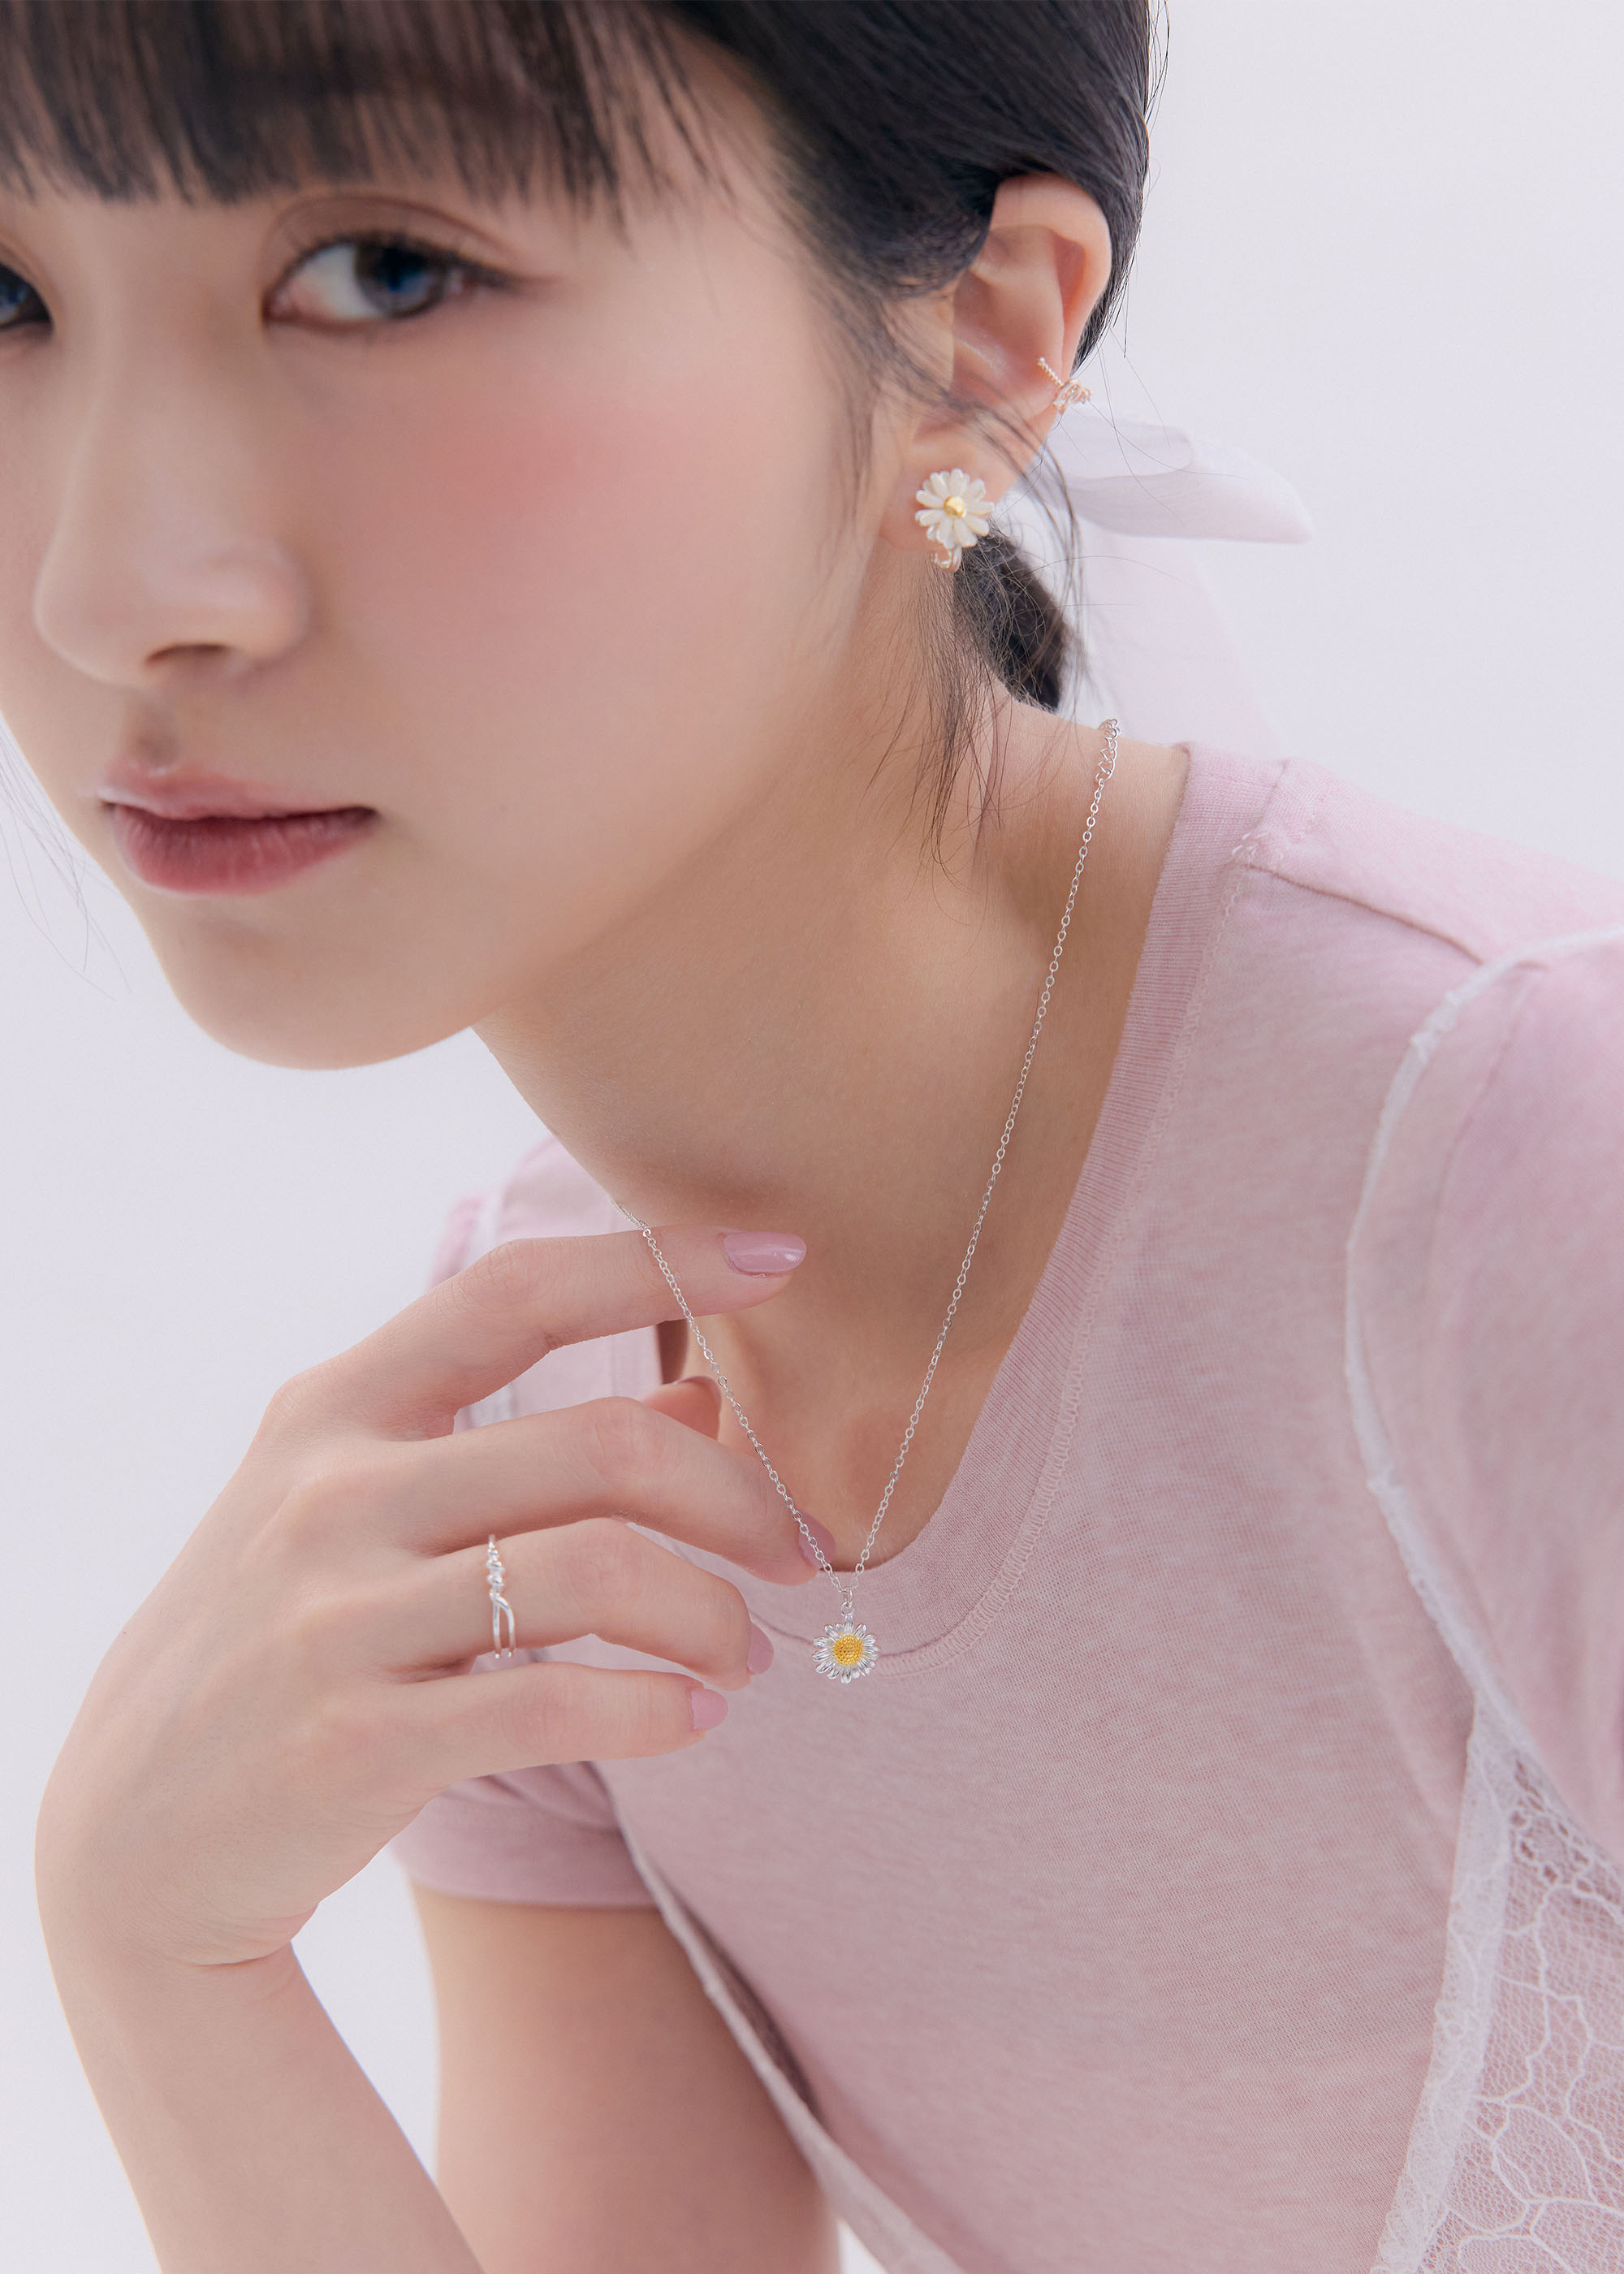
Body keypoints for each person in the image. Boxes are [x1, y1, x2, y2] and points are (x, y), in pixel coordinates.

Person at [9, 4, 1623, 2271]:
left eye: (386, 272)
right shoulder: (548, 1478)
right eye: (5, 302)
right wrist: (149, 1947)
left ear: (980, 338)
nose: (112, 591)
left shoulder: (1522, 1188)